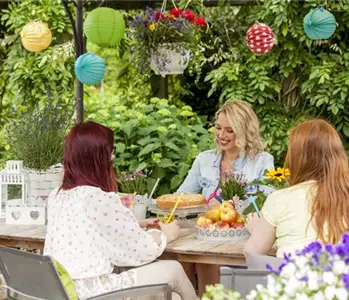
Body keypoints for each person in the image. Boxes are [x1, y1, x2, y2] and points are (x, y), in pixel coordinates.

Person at [44, 121, 196, 300]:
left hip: (61, 289)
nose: (113, 156)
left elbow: (87, 232)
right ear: (98, 157)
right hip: (93, 293)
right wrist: (165, 234)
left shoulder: (57, 195)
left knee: (173, 298)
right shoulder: (97, 199)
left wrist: (134, 224)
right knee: (174, 269)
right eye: (110, 151)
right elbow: (140, 250)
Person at [177, 100, 274, 295]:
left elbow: (267, 205)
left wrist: (232, 208)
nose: (221, 135)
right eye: (219, 128)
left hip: (242, 237)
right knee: (182, 257)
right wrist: (204, 206)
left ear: (244, 131)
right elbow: (181, 198)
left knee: (206, 259)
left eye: (230, 130)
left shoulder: (262, 161)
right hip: (207, 234)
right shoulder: (204, 159)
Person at [245, 119, 349, 258]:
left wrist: (257, 230)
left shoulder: (279, 200)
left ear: (296, 158)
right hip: (340, 278)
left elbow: (252, 254)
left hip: (294, 278)